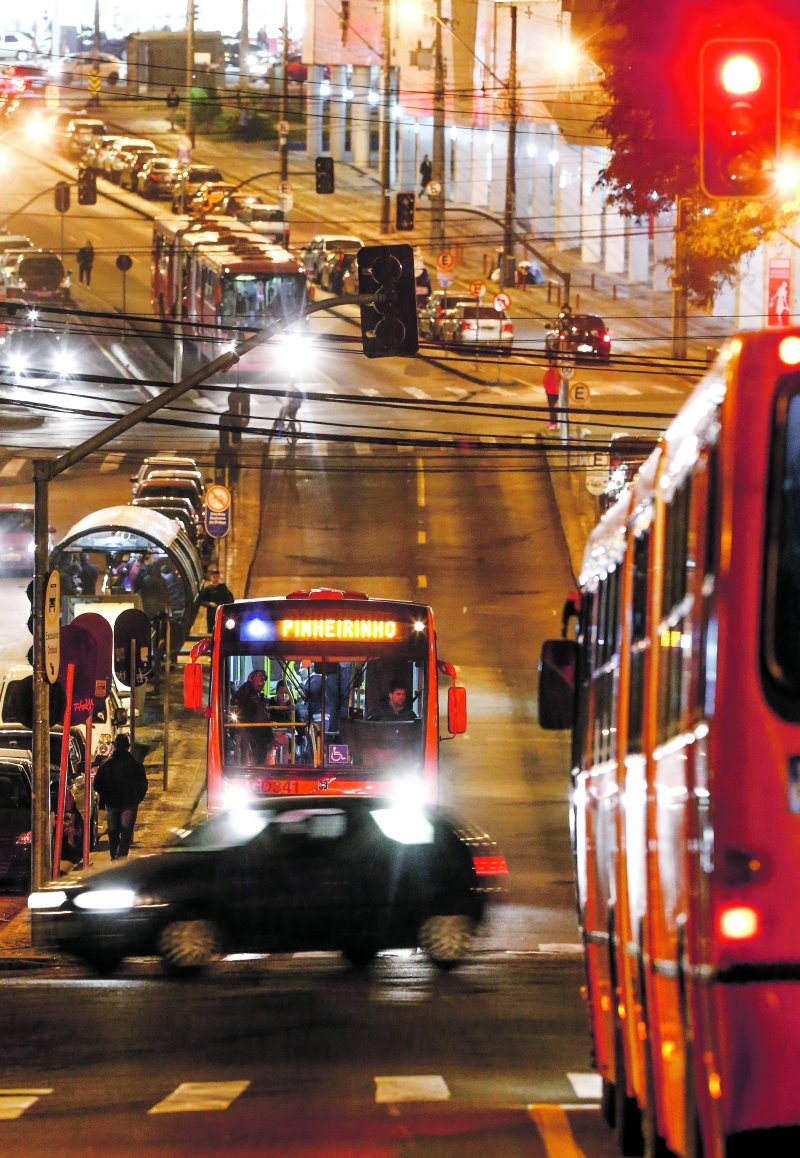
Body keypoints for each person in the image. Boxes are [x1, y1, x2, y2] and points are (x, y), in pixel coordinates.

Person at [93, 734, 148, 860]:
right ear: (128, 747)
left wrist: (106, 797)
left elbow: (97, 784)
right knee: (126, 834)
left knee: (113, 834)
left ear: (115, 746)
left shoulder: (106, 765)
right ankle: (121, 858)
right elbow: (143, 786)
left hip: (112, 805)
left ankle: (115, 858)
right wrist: (135, 800)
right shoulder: (136, 765)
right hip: (129, 805)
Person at [233, 669, 273, 765]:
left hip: (261, 734)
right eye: (256, 680)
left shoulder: (264, 699)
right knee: (247, 759)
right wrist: (248, 683)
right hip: (248, 731)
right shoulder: (246, 695)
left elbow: (266, 718)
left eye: (262, 680)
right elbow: (236, 699)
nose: (259, 683)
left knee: (260, 760)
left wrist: (271, 737)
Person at [198, 568, 234, 634]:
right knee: (212, 631)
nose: (215, 578)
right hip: (211, 614)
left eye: (216, 576)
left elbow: (229, 598)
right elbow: (201, 600)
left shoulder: (223, 588)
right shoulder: (208, 589)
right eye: (214, 576)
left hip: (222, 612)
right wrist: (209, 604)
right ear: (211, 577)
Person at [543, 364, 560, 430]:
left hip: (550, 392)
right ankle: (556, 422)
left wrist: (547, 389)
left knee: (552, 408)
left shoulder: (549, 372)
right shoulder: (558, 372)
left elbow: (544, 381)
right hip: (557, 392)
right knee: (555, 407)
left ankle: (553, 423)